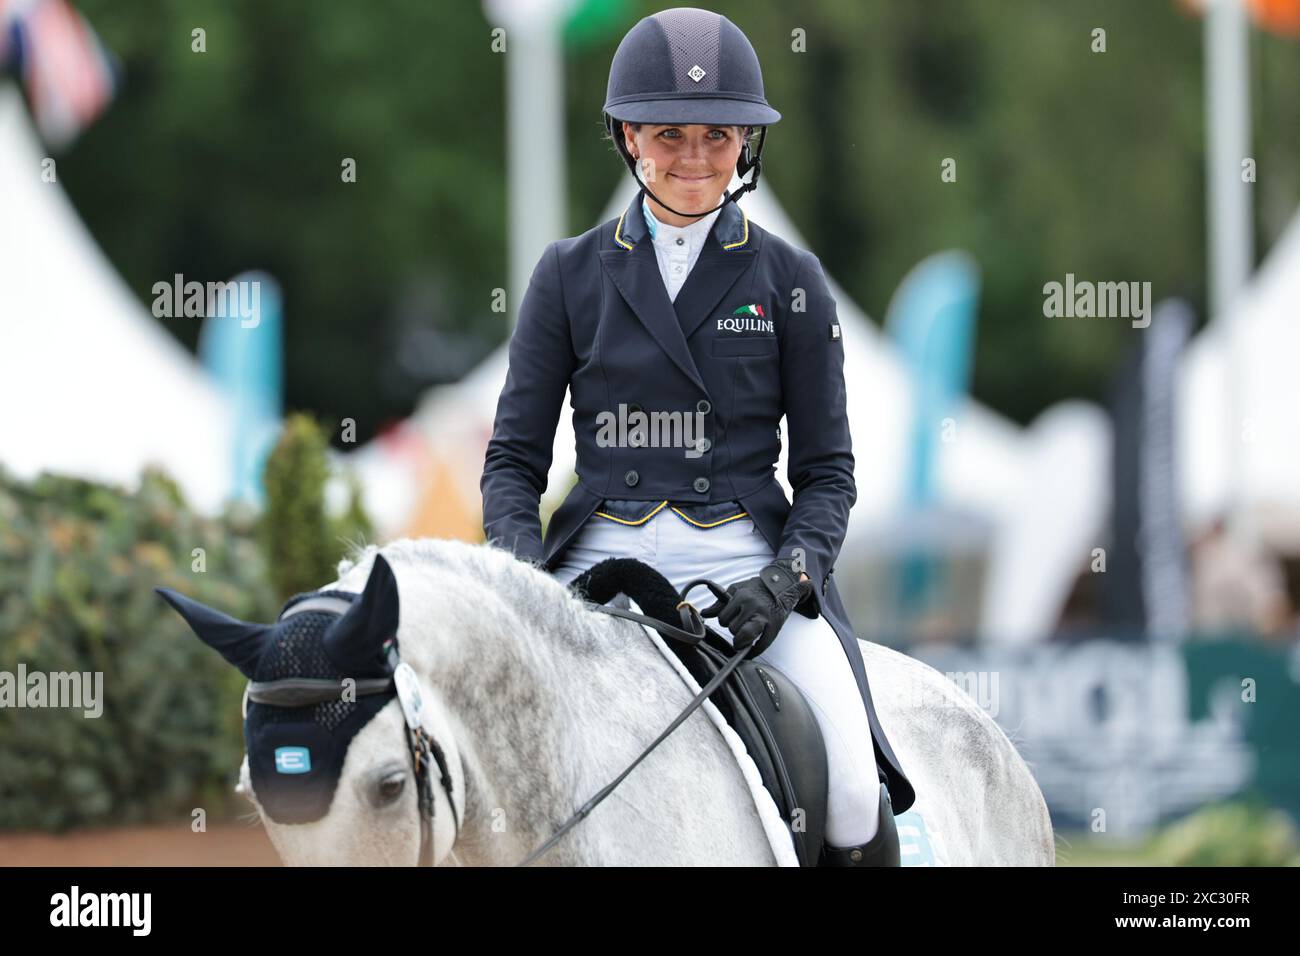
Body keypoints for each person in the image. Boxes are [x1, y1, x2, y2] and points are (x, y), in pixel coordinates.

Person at [480, 6, 911, 866]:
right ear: (629, 137)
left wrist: (786, 580)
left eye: (718, 136)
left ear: (744, 146)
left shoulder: (792, 280)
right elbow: (513, 462)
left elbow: (828, 474)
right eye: (669, 134)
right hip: (596, 564)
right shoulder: (569, 275)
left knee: (856, 789)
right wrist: (525, 583)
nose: (692, 159)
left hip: (746, 571)